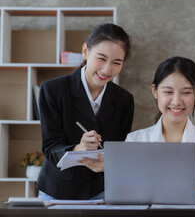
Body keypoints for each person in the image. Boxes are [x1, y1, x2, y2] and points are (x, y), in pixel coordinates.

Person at [37, 23, 134, 200]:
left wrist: (111, 162)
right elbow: (50, 148)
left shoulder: (124, 100)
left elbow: (120, 149)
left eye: (116, 62)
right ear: (85, 51)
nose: (107, 70)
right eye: (101, 58)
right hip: (58, 190)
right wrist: (77, 149)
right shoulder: (53, 90)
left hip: (102, 190)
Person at [125, 56, 195, 202]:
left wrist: (164, 193)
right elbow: (127, 188)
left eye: (186, 92)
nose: (176, 101)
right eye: (168, 92)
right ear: (155, 91)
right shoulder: (135, 140)